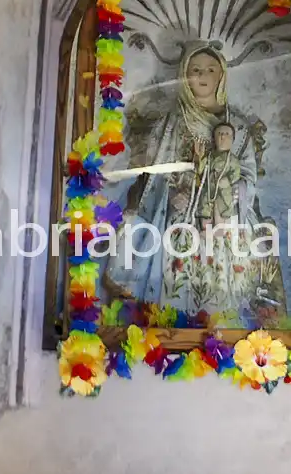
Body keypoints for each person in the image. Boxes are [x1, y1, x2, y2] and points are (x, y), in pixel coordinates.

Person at [109, 43, 281, 316]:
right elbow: (155, 170)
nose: (203, 75)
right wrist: (175, 190)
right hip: (180, 209)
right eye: (195, 70)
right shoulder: (171, 123)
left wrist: (234, 193)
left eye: (210, 70)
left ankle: (219, 330)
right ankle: (172, 325)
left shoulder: (236, 126)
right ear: (184, 76)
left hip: (225, 212)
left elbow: (247, 173)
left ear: (221, 76)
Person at [193, 120, 243, 230]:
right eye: (219, 134)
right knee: (205, 205)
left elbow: (236, 174)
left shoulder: (232, 159)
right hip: (209, 187)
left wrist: (228, 180)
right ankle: (205, 227)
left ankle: (221, 227)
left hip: (223, 189)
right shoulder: (210, 156)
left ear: (232, 139)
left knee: (223, 206)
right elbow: (201, 171)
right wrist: (200, 157)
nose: (223, 137)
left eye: (227, 134)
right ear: (214, 139)